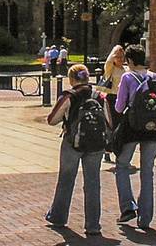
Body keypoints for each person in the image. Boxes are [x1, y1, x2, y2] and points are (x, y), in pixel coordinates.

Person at [44, 64, 107, 236]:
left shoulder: (69, 95)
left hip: (73, 142)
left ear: (72, 79)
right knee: (93, 183)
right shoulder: (99, 96)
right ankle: (93, 225)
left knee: (66, 180)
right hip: (96, 144)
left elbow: (52, 119)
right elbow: (108, 121)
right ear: (87, 77)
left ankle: (58, 217)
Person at [113, 44, 156, 230]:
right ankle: (145, 218)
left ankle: (127, 207)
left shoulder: (128, 77)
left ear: (130, 60)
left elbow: (119, 107)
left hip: (132, 128)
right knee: (147, 171)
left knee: (122, 165)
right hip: (154, 128)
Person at [99, 45, 127, 163]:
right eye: (118, 57)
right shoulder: (111, 69)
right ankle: (108, 150)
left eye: (122, 57)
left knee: (122, 126)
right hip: (112, 98)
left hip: (123, 99)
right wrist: (116, 49)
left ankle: (119, 150)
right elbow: (108, 61)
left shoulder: (126, 70)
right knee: (112, 125)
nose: (120, 59)